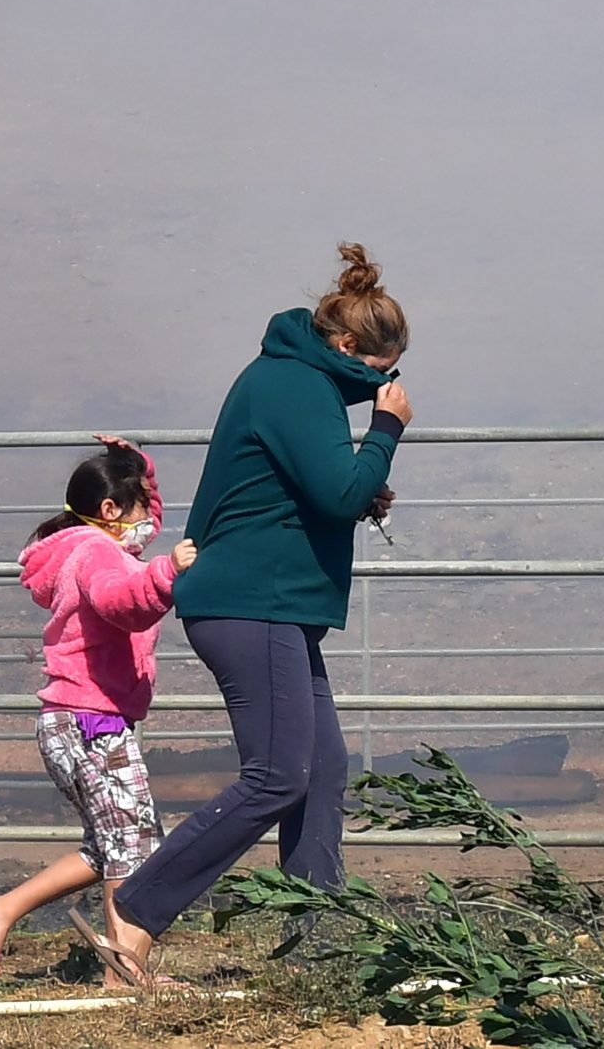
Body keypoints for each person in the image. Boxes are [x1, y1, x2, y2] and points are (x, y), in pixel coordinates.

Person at [100, 244, 413, 984]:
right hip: (253, 603)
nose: (386, 386)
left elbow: (311, 490)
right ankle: (135, 914)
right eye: (380, 371)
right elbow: (334, 492)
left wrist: (362, 484)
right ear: (346, 348)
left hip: (267, 603)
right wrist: (387, 432)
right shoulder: (297, 385)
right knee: (277, 773)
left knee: (322, 766)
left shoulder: (291, 380)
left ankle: (319, 950)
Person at [0, 437, 196, 987]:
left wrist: (139, 468)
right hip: (92, 724)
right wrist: (167, 573)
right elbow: (121, 601)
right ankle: (124, 971)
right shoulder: (97, 554)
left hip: (71, 722)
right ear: (111, 512)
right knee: (133, 843)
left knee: (110, 843)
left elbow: (141, 531)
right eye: (139, 505)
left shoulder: (83, 544)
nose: (152, 519)